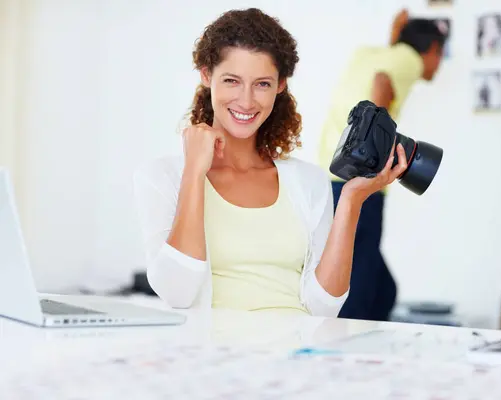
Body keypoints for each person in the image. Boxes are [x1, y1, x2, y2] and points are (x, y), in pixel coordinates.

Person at [132, 8, 409, 317]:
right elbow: (178, 292)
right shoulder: (162, 177)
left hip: (295, 355)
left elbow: (325, 307)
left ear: (280, 85)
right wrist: (195, 172)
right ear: (207, 75)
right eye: (232, 80)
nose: (247, 100)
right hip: (211, 357)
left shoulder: (308, 182)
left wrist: (351, 199)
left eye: (262, 83)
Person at [317, 11, 446, 321]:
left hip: (328, 175)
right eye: (441, 55)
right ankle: (345, 352)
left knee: (382, 289)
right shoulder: (410, 59)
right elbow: (382, 82)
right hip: (359, 181)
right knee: (359, 287)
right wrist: (374, 151)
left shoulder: (370, 53)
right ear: (432, 50)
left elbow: (381, 70)